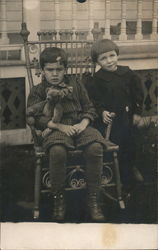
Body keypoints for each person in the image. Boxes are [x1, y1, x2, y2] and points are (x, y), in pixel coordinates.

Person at [27, 47, 107, 222]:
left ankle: (93, 198)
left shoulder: (76, 84)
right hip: (56, 129)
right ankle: (58, 198)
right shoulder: (38, 91)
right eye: (50, 70)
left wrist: (84, 123)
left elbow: (89, 108)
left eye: (59, 69)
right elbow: (34, 117)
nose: (55, 74)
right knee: (57, 151)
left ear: (65, 69)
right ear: (42, 70)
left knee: (95, 147)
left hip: (79, 124)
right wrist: (59, 126)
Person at [86, 39, 144, 186]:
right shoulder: (96, 80)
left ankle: (131, 167)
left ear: (117, 55)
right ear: (97, 62)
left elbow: (138, 94)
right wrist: (102, 112)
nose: (109, 61)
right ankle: (111, 169)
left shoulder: (127, 73)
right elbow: (93, 100)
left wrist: (137, 112)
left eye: (112, 55)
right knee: (113, 142)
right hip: (110, 121)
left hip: (127, 116)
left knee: (131, 142)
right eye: (103, 58)